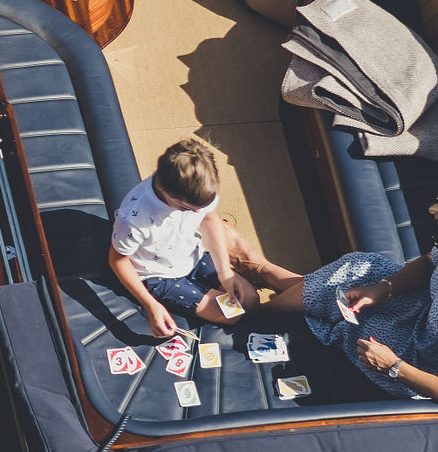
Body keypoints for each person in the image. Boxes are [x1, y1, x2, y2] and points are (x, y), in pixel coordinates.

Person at [294, 183, 438, 410]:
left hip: (433, 367)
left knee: (354, 325)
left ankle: (264, 299)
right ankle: (268, 286)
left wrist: (392, 366)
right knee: (360, 268)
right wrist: (381, 290)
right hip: (427, 317)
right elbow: (430, 263)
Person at [107, 134, 308, 342]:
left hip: (193, 255)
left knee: (250, 300)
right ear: (163, 189)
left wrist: (225, 273)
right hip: (158, 276)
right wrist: (150, 305)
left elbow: (211, 219)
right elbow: (117, 260)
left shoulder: (200, 193)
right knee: (232, 316)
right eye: (188, 209)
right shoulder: (134, 218)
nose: (197, 213)